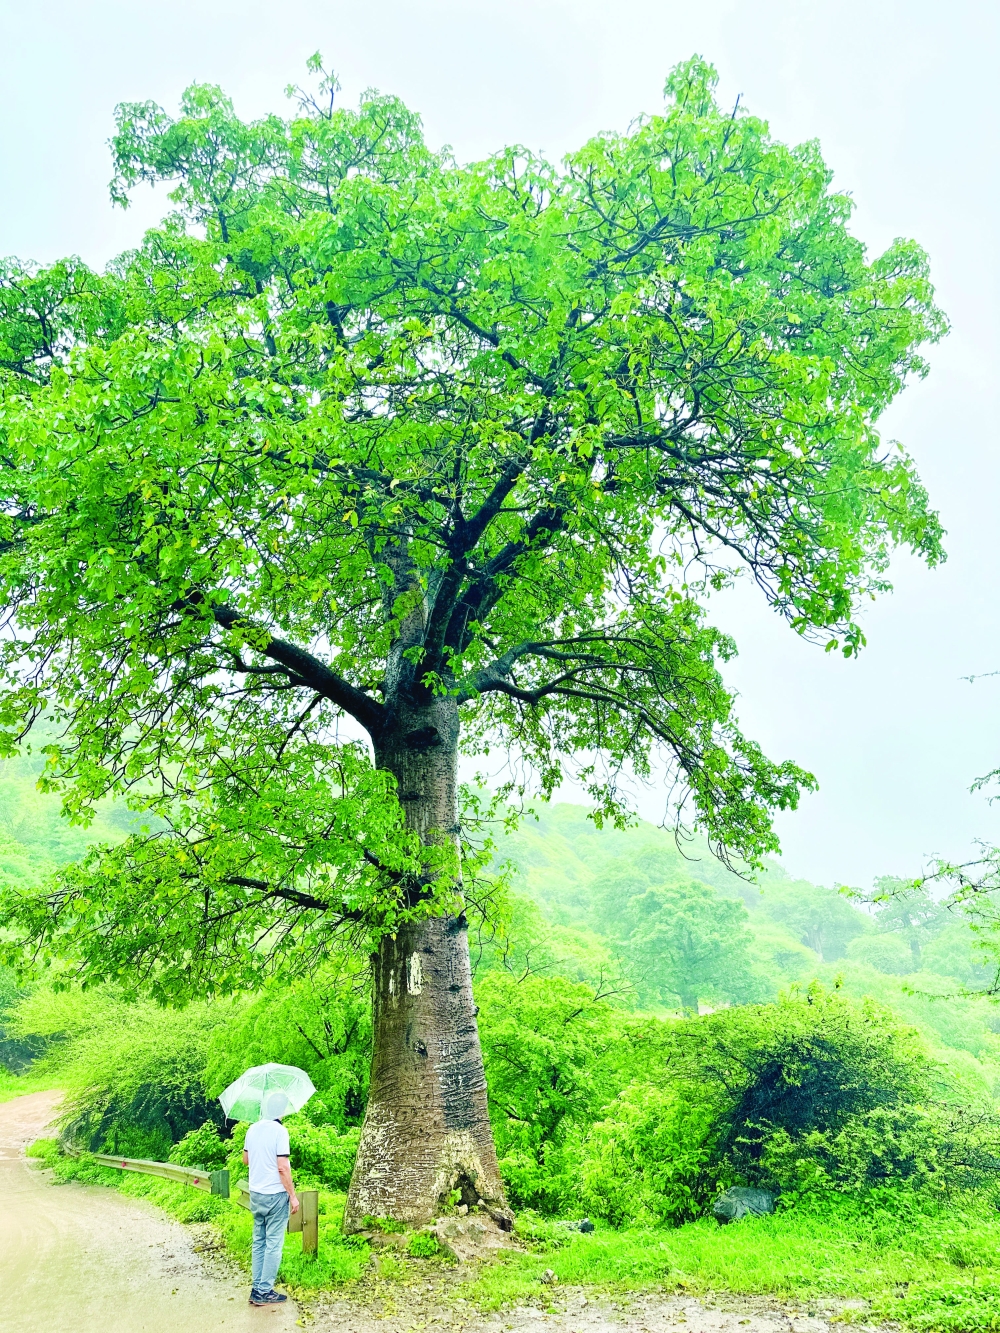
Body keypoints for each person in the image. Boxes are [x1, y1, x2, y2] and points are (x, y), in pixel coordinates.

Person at [242, 1091, 300, 1306]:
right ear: (281, 1111)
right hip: (275, 1195)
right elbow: (283, 1167)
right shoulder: (280, 1131)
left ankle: (256, 1287)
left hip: (256, 1193)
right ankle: (265, 1291)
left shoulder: (252, 1129)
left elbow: (245, 1159)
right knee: (273, 1243)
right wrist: (293, 1196)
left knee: (259, 1241)